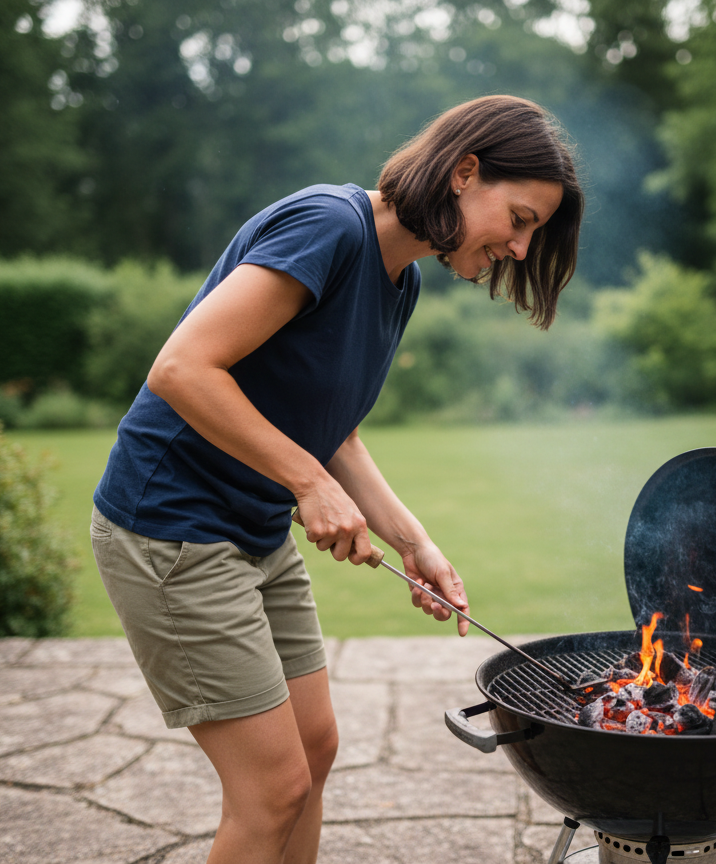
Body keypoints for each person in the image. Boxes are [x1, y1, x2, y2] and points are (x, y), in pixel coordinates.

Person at [89, 94, 584, 864]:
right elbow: (183, 368)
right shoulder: (329, 226)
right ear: (464, 173)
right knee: (272, 788)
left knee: (314, 751)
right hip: (173, 528)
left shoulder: (399, 281)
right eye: (518, 219)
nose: (520, 248)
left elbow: (335, 429)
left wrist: (414, 542)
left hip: (252, 528)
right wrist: (308, 486)